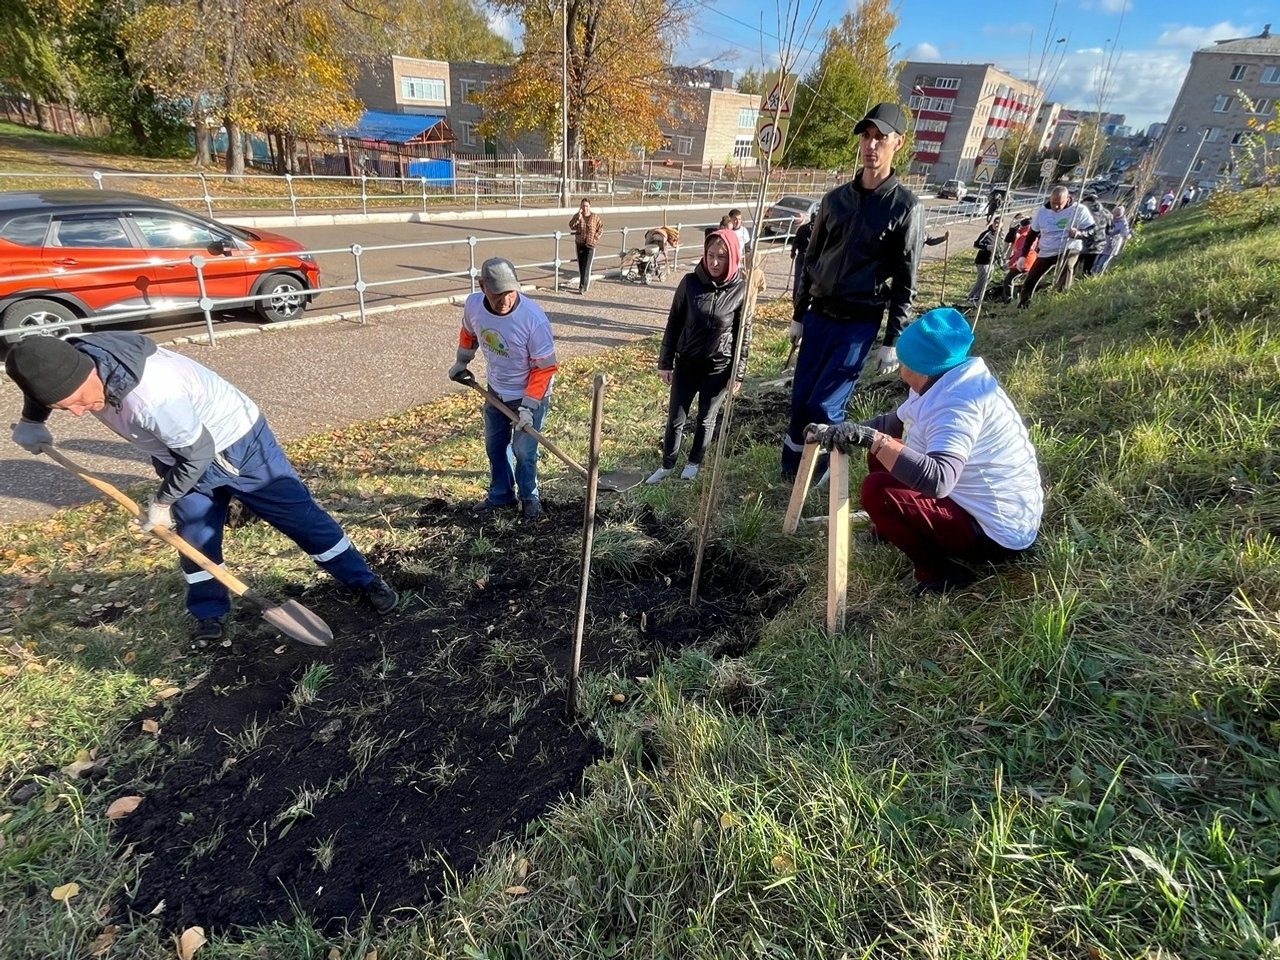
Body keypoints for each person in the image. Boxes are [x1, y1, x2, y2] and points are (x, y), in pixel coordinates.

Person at [6, 334, 398, 645]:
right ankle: (209, 614)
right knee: (194, 538)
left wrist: (161, 502)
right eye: (62, 408)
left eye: (76, 402)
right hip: (176, 452)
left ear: (87, 372)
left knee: (301, 519)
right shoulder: (67, 356)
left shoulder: (152, 397)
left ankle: (364, 581)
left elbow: (198, 454)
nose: (77, 412)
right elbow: (46, 379)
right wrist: (33, 419)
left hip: (237, 443)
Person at [806, 307, 1042, 594]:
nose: (899, 365)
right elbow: (892, 424)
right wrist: (845, 430)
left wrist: (874, 440)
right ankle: (891, 527)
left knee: (877, 490)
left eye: (903, 359)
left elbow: (939, 480)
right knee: (882, 451)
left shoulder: (958, 405)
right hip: (971, 504)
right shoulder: (942, 378)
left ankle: (940, 574)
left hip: (992, 534)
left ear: (917, 366)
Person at [782, 101, 925, 479]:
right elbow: (811, 261)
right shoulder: (834, 201)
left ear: (899, 143)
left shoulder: (905, 208)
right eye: (866, 135)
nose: (871, 145)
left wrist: (892, 339)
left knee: (825, 404)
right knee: (800, 399)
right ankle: (791, 470)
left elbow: (905, 278)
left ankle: (825, 469)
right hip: (818, 317)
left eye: (881, 138)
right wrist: (799, 314)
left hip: (858, 323)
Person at [448, 257, 558, 520]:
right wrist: (461, 362)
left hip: (530, 394)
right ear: (482, 286)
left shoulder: (533, 320)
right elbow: (469, 333)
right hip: (496, 390)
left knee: (524, 450)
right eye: (498, 293)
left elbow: (544, 368)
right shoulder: (474, 305)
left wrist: (529, 407)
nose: (505, 300)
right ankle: (501, 495)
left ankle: (529, 496)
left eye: (510, 292)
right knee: (495, 446)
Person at [646, 229, 750, 484]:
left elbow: (743, 334)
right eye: (710, 255)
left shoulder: (741, 289)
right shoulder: (690, 283)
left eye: (721, 257)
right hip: (687, 365)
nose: (714, 262)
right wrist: (665, 361)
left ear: (733, 257)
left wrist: (737, 372)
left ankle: (694, 462)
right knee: (676, 419)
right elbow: (673, 323)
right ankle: (667, 464)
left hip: (718, 368)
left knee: (706, 418)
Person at [1017, 186, 1095, 309]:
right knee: (1031, 278)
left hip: (1069, 245)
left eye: (1060, 204)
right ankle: (1023, 306)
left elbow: (1092, 230)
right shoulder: (1042, 212)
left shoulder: (1079, 210)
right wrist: (1023, 256)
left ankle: (1059, 303)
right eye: (1054, 203)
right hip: (1047, 249)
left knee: (1067, 267)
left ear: (1067, 198)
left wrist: (1079, 234)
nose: (1056, 207)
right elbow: (1031, 235)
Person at [568, 198, 604, 294]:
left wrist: (595, 238)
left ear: (590, 206)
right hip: (580, 244)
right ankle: (583, 285)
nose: (585, 208)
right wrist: (578, 217)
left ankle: (582, 286)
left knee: (586, 266)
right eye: (583, 206)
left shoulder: (595, 217)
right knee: (581, 266)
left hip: (590, 245)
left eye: (586, 206)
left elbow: (600, 228)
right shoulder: (578, 216)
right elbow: (572, 226)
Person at [968, 216, 1000, 302]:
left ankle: (979, 296)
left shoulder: (999, 235)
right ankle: (972, 296)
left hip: (991, 262)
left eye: (998, 223)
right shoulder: (987, 234)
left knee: (988, 280)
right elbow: (976, 245)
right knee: (982, 280)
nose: (996, 225)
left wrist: (999, 259)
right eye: (995, 223)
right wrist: (986, 247)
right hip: (983, 261)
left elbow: (998, 248)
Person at [1092, 205, 1132, 275]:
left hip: (1111, 246)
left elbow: (1126, 234)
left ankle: (1097, 277)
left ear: (1119, 215)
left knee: (1101, 264)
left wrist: (1127, 235)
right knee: (1095, 262)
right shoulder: (1109, 218)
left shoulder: (1123, 223)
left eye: (1115, 215)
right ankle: (1090, 274)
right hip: (1102, 244)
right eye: (1113, 213)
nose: (1113, 216)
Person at [1075, 194, 1107, 277]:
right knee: (1088, 268)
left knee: (1072, 266)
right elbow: (1110, 229)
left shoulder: (1086, 213)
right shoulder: (1106, 213)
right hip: (1098, 245)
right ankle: (1084, 282)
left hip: (1083, 244)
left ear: (1088, 203)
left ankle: (1067, 284)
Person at [790, 218, 814, 301]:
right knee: (810, 277)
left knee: (798, 276)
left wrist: (793, 252)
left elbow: (796, 241)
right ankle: (805, 296)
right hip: (812, 257)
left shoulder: (802, 228)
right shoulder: (819, 230)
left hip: (801, 254)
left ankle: (796, 296)